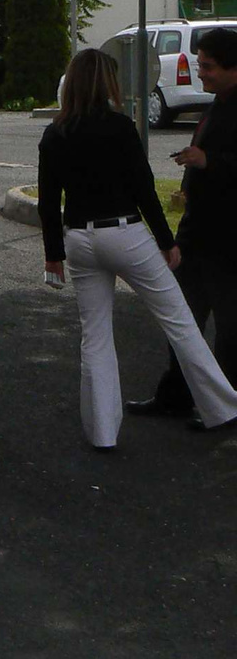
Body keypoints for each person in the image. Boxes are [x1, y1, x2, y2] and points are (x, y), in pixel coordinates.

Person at [38, 47, 237, 448]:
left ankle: (102, 432)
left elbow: (47, 200)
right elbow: (143, 190)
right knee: (178, 320)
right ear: (107, 83)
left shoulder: (55, 132)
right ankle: (224, 407)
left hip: (79, 238)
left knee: (94, 335)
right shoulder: (119, 127)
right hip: (124, 232)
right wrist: (167, 241)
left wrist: (53, 254)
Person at [126, 25, 237, 424]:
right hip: (198, 234)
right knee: (182, 319)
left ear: (233, 68)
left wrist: (210, 163)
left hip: (229, 242)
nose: (201, 72)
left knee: (229, 331)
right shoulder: (216, 106)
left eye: (208, 66)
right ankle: (175, 394)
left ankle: (223, 405)